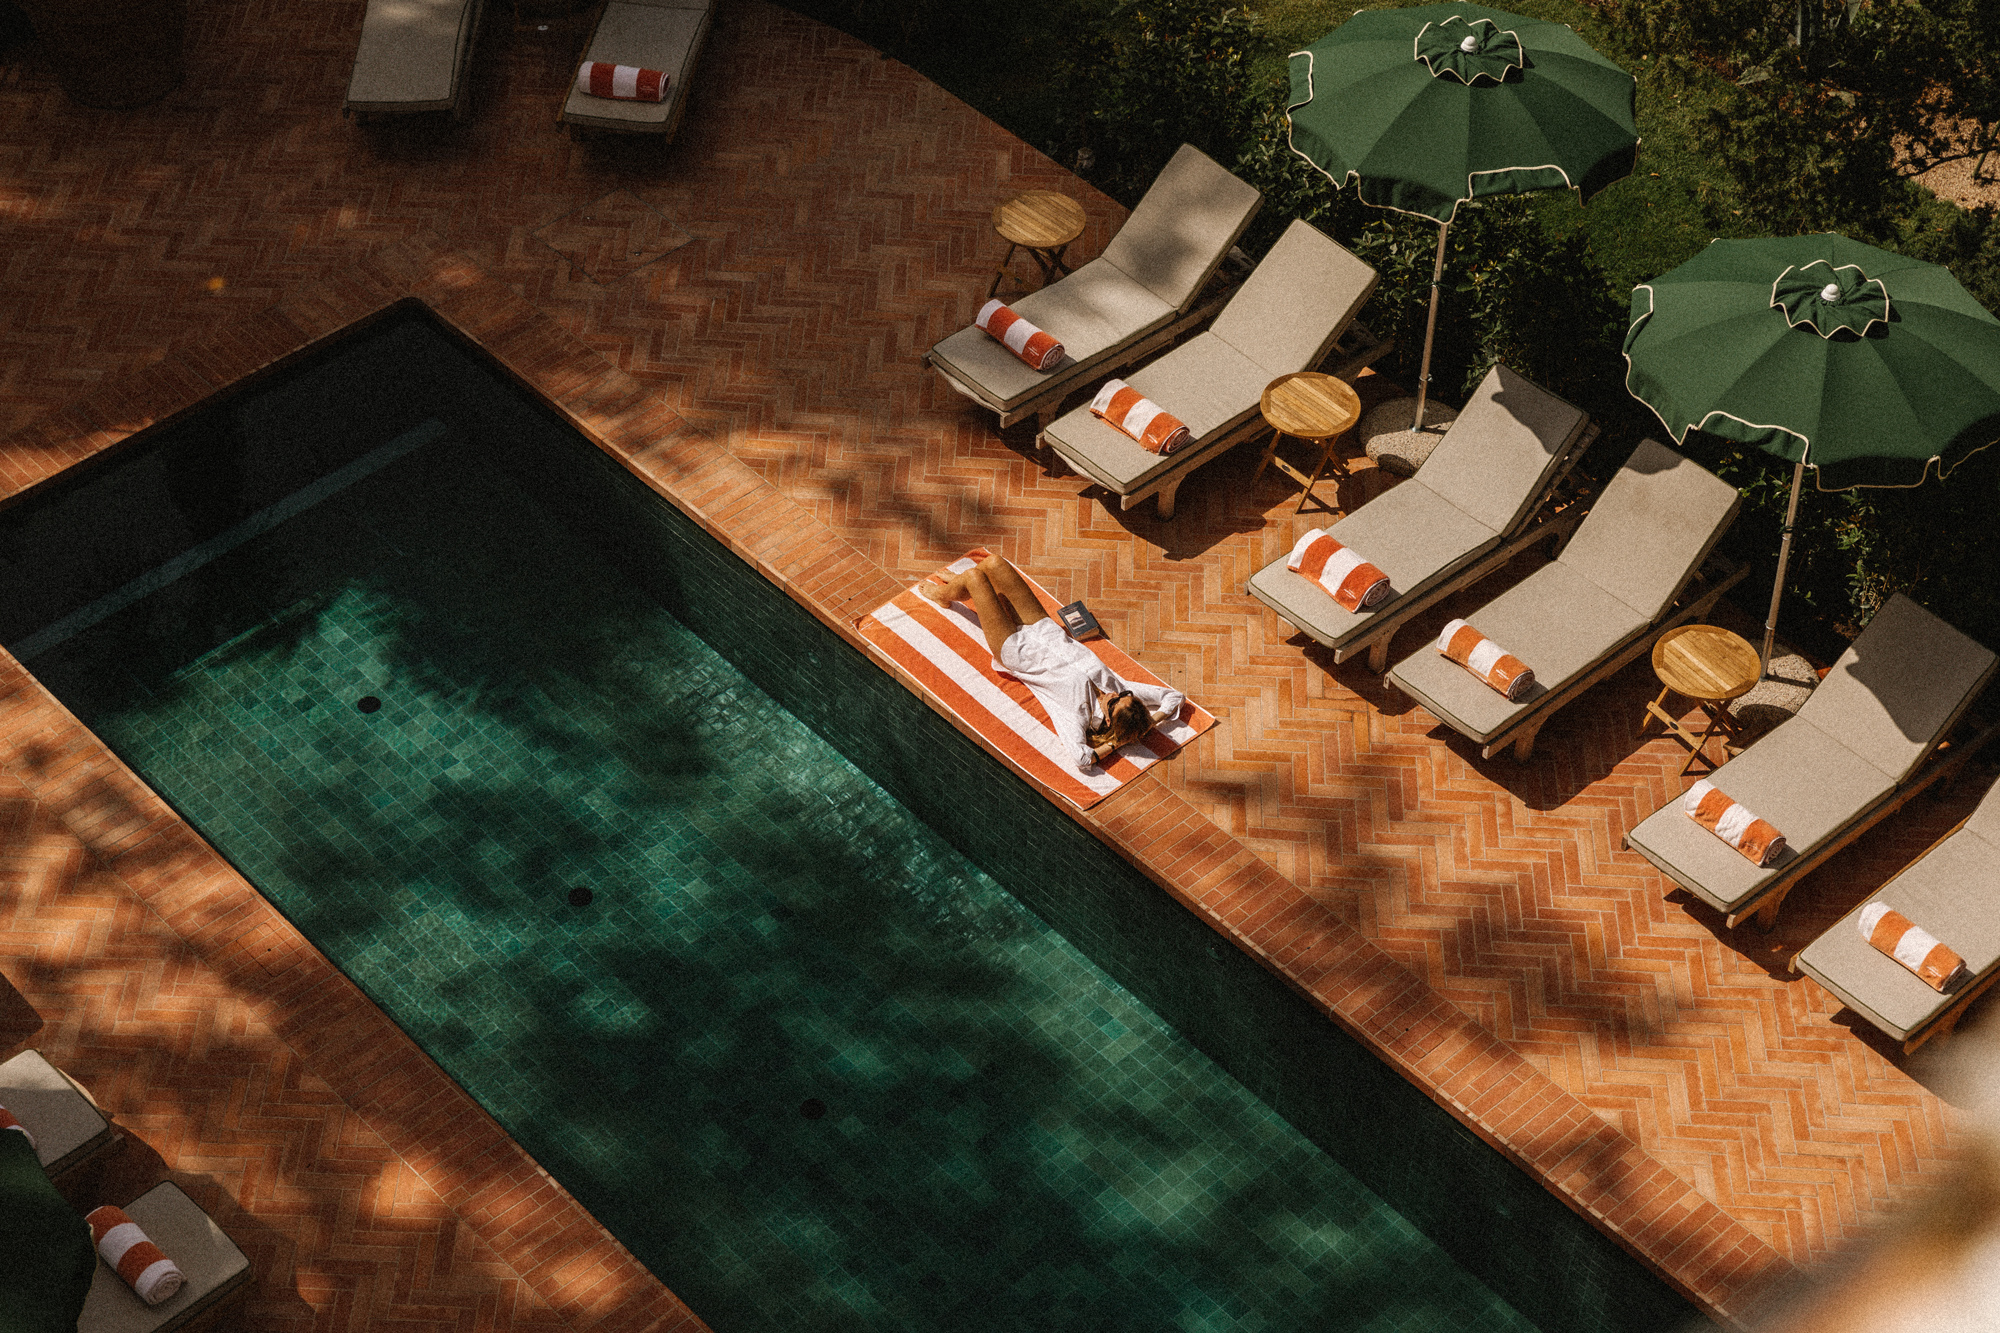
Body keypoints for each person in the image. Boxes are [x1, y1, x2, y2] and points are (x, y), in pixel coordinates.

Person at [920, 554, 1184, 772]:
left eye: (1115, 703)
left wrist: (1118, 742)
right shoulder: (1121, 691)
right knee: (994, 564)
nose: (1116, 694)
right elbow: (1174, 697)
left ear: (1107, 719)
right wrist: (1148, 723)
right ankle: (964, 588)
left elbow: (1082, 758)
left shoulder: (1076, 715)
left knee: (975, 577)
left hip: (1016, 649)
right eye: (1126, 696)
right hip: (1045, 630)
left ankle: (945, 594)